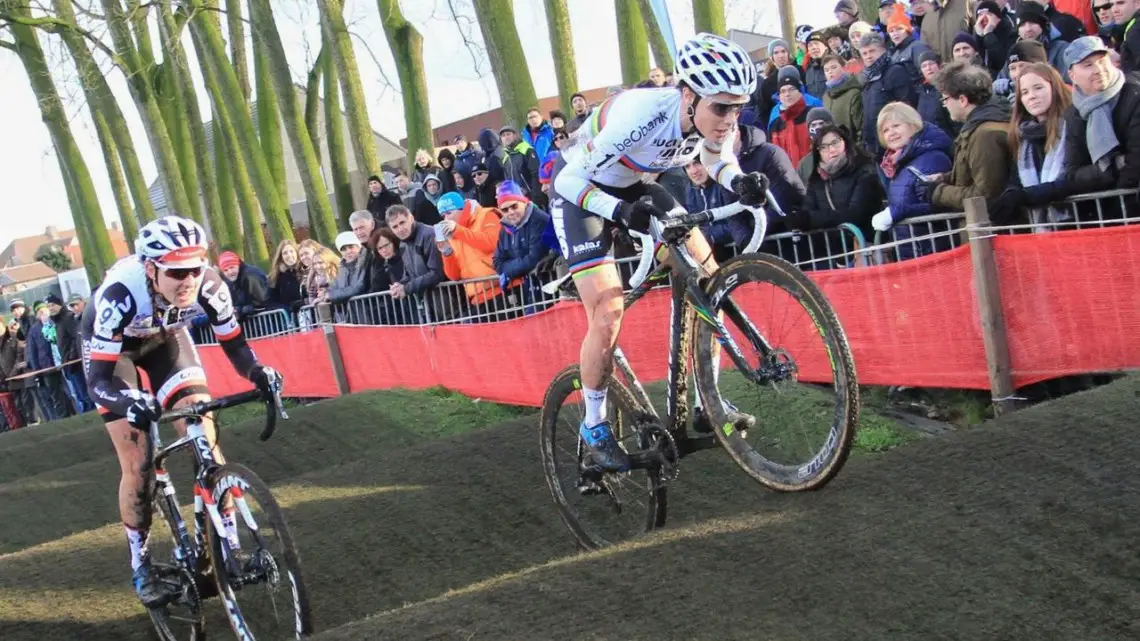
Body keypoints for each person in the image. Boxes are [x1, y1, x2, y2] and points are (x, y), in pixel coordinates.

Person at [550, 33, 765, 471]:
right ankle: (594, 426)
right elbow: (567, 181)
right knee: (608, 312)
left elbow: (717, 156)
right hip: (580, 193)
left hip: (637, 185)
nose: (729, 118)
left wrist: (737, 180)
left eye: (737, 107)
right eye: (720, 107)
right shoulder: (642, 116)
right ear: (688, 95)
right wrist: (620, 212)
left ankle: (709, 397)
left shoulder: (712, 118)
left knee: (710, 277)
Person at [81, 216, 281, 607]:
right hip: (114, 357)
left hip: (167, 344)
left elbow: (236, 347)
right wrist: (129, 401)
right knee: (138, 462)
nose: (188, 279)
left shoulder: (209, 283)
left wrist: (258, 372)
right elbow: (99, 382)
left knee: (203, 439)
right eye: (176, 272)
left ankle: (229, 547)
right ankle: (141, 565)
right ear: (151, 268)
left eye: (194, 267)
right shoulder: (120, 295)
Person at [987, 63, 1075, 226]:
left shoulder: (1073, 125)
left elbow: (1073, 178)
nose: (1032, 96)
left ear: (1054, 87)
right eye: (1025, 92)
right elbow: (1016, 179)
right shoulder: (1023, 136)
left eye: (1038, 88)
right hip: (1043, 231)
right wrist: (1011, 194)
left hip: (1079, 221)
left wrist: (1027, 195)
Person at [926, 61, 1013, 212]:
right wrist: (946, 178)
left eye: (945, 99)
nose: (944, 105)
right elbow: (977, 174)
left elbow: (985, 195)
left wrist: (939, 192)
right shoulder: (982, 127)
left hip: (993, 231)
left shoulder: (985, 135)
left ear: (962, 100)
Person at [873, 102, 955, 259]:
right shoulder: (897, 164)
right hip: (912, 253)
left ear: (913, 125)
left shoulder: (933, 158)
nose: (891, 133)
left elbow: (939, 204)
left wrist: (897, 212)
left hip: (934, 253)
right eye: (885, 130)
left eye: (896, 125)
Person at [1061, 36, 1140, 193]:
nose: (1098, 70)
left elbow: (1136, 162)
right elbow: (1072, 174)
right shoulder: (1074, 114)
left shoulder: (1134, 95)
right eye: (1088, 65)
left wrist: (1118, 202)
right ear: (1072, 76)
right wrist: (1113, 166)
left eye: (1102, 61)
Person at [268, 240, 304, 311]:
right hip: (289, 317)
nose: (289, 255)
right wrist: (287, 309)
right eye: (285, 253)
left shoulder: (304, 271)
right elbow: (270, 302)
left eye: (291, 251)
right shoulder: (276, 277)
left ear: (297, 253)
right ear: (281, 257)